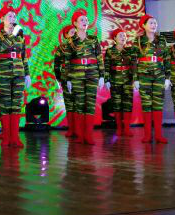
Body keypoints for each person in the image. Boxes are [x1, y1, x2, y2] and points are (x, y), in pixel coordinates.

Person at [0, 3, 31, 148]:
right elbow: (0, 49)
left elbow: (23, 55)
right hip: (3, 74)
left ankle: (15, 137)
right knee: (5, 105)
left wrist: (27, 74)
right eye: (9, 16)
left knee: (16, 105)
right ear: (2, 19)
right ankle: (6, 137)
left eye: (14, 16)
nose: (13, 19)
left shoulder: (20, 36)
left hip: (18, 73)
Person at [61, 9, 104, 145]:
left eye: (86, 19)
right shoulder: (70, 42)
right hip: (76, 75)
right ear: (75, 23)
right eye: (82, 20)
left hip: (92, 74)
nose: (85, 22)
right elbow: (67, 61)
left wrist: (102, 75)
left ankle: (88, 136)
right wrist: (67, 79)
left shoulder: (93, 39)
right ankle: (80, 135)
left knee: (90, 104)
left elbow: (99, 57)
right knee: (79, 104)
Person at [129, 14, 171, 143]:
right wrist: (135, 78)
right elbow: (133, 61)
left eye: (155, 23)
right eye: (151, 23)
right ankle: (147, 135)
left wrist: (167, 77)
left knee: (158, 104)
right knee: (146, 105)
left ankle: (158, 135)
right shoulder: (138, 41)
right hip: (143, 76)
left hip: (159, 75)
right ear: (143, 25)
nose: (154, 25)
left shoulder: (161, 40)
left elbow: (167, 59)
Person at [104, 28, 133, 136]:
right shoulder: (109, 51)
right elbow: (106, 66)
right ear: (115, 38)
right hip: (115, 80)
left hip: (128, 80)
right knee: (117, 104)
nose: (123, 37)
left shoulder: (130, 50)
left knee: (127, 104)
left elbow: (134, 65)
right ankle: (119, 128)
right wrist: (106, 80)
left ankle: (127, 129)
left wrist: (135, 79)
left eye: (124, 35)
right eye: (120, 35)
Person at [54, 25, 76, 137]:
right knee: (69, 103)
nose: (74, 34)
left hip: (80, 76)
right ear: (66, 35)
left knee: (80, 104)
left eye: (75, 32)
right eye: (72, 32)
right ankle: (72, 129)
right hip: (66, 77)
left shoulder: (81, 45)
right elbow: (56, 64)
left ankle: (79, 129)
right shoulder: (62, 47)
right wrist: (59, 78)